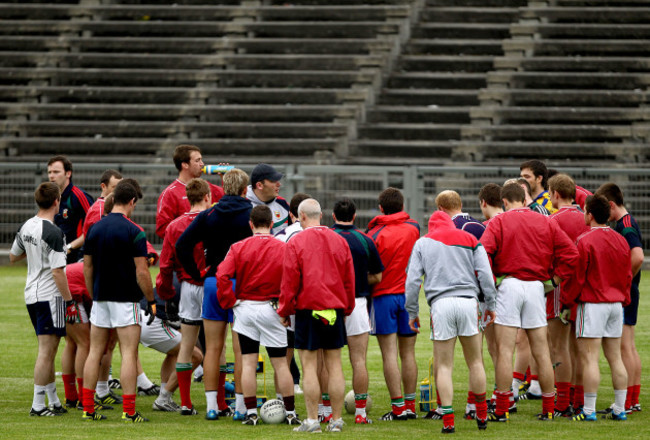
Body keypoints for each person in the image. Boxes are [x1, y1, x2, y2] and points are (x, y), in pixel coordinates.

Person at [480, 183, 578, 422]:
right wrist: (554, 280)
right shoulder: (546, 221)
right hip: (536, 287)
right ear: (524, 201)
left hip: (509, 286)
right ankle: (548, 409)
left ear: (504, 202)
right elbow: (572, 255)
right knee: (542, 351)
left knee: (505, 350)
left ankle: (502, 408)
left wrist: (492, 282)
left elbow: (482, 256)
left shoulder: (498, 222)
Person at [405, 211, 497, 433]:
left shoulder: (422, 243)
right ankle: (482, 415)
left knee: (444, 366)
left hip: (440, 304)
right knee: (475, 361)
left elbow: (412, 281)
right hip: (468, 302)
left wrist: (412, 312)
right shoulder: (471, 240)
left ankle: (448, 421)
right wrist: (491, 305)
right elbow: (485, 274)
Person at [176, 169, 252, 419]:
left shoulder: (210, 214)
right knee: (241, 350)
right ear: (244, 190)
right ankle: (241, 408)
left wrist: (195, 273)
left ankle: (211, 407)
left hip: (212, 282)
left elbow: (182, 244)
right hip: (242, 285)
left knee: (213, 349)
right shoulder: (252, 214)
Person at [217, 205, 299, 426]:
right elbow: (292, 281)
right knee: (281, 363)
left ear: (250, 224)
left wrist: (230, 301)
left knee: (248, 362)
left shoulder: (238, 247)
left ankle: (251, 412)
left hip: (246, 307)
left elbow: (222, 275)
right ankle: (290, 413)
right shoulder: (283, 247)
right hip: (272, 308)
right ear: (272, 224)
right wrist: (286, 309)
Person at [278, 198, 355, 433]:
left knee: (309, 366)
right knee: (334, 365)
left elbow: (289, 281)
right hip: (333, 309)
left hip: (307, 309)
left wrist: (285, 310)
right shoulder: (340, 241)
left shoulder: (296, 241)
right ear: (321, 216)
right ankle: (337, 420)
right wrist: (347, 308)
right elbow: (349, 280)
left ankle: (312, 420)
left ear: (300, 217)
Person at [82, 180, 156, 422]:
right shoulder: (134, 231)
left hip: (101, 298)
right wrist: (151, 299)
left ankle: (88, 408)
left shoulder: (94, 229)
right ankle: (129, 411)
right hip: (126, 301)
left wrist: (93, 293)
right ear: (132, 201)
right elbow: (142, 272)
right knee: (128, 353)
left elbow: (88, 267)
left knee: (95, 352)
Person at [561, 195, 632, 422]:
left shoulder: (584, 240)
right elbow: (627, 274)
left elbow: (577, 276)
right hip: (615, 304)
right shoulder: (621, 239)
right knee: (615, 359)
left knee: (589, 359)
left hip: (592, 304)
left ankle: (589, 410)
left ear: (589, 215)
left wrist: (566, 301)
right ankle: (620, 408)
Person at [10, 182, 76, 416]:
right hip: (49, 296)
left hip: (31, 294)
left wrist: (35, 253)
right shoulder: (54, 232)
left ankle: (53, 400)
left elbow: (13, 256)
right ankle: (38, 405)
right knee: (47, 352)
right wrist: (69, 301)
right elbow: (58, 272)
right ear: (57, 201)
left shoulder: (28, 225)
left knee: (47, 349)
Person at [156, 178, 212, 415]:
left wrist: (167, 292)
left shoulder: (175, 226)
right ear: (208, 196)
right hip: (212, 285)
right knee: (216, 347)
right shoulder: (214, 221)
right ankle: (217, 403)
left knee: (186, 347)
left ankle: (186, 403)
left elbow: (165, 265)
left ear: (187, 198)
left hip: (188, 288)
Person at [366, 188, 420, 421]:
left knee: (389, 354)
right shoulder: (415, 228)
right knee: (408, 354)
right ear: (402, 205)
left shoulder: (374, 234)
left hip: (383, 297)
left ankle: (398, 409)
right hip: (409, 297)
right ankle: (410, 406)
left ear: (381, 208)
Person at [331, 198, 384, 424]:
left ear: (333, 216)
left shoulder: (326, 237)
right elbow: (378, 276)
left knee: (327, 360)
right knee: (358, 360)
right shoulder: (365, 240)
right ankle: (361, 413)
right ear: (354, 216)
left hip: (328, 304)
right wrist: (354, 280)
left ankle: (325, 413)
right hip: (358, 303)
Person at [595, 183, 644, 413]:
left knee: (625, 347)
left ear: (611, 204)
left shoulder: (625, 226)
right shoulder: (626, 222)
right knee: (629, 347)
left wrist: (624, 282)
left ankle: (628, 402)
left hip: (627, 291)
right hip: (630, 290)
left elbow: (638, 256)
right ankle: (633, 399)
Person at [547, 173, 590, 417]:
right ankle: (579, 400)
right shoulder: (587, 217)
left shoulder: (554, 219)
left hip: (560, 287)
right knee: (579, 348)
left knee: (559, 347)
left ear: (555, 194)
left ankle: (562, 403)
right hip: (584, 287)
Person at [156, 144, 224, 239]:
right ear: (185, 165)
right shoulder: (169, 194)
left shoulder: (208, 187)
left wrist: (225, 180)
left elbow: (230, 200)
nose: (202, 164)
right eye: (197, 160)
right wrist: (191, 234)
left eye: (201, 159)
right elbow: (162, 229)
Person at [47, 155, 94, 263]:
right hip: (60, 256)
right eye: (49, 172)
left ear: (68, 173)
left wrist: (70, 247)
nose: (51, 176)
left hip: (78, 256)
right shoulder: (53, 198)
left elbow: (93, 228)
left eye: (56, 172)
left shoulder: (79, 196)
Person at [246, 163, 290, 235]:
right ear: (259, 185)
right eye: (273, 181)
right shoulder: (243, 206)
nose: (279, 184)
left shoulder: (283, 203)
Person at [83, 169, 122, 237]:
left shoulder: (117, 205)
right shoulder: (99, 210)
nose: (119, 191)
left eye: (121, 187)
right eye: (115, 188)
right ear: (103, 186)